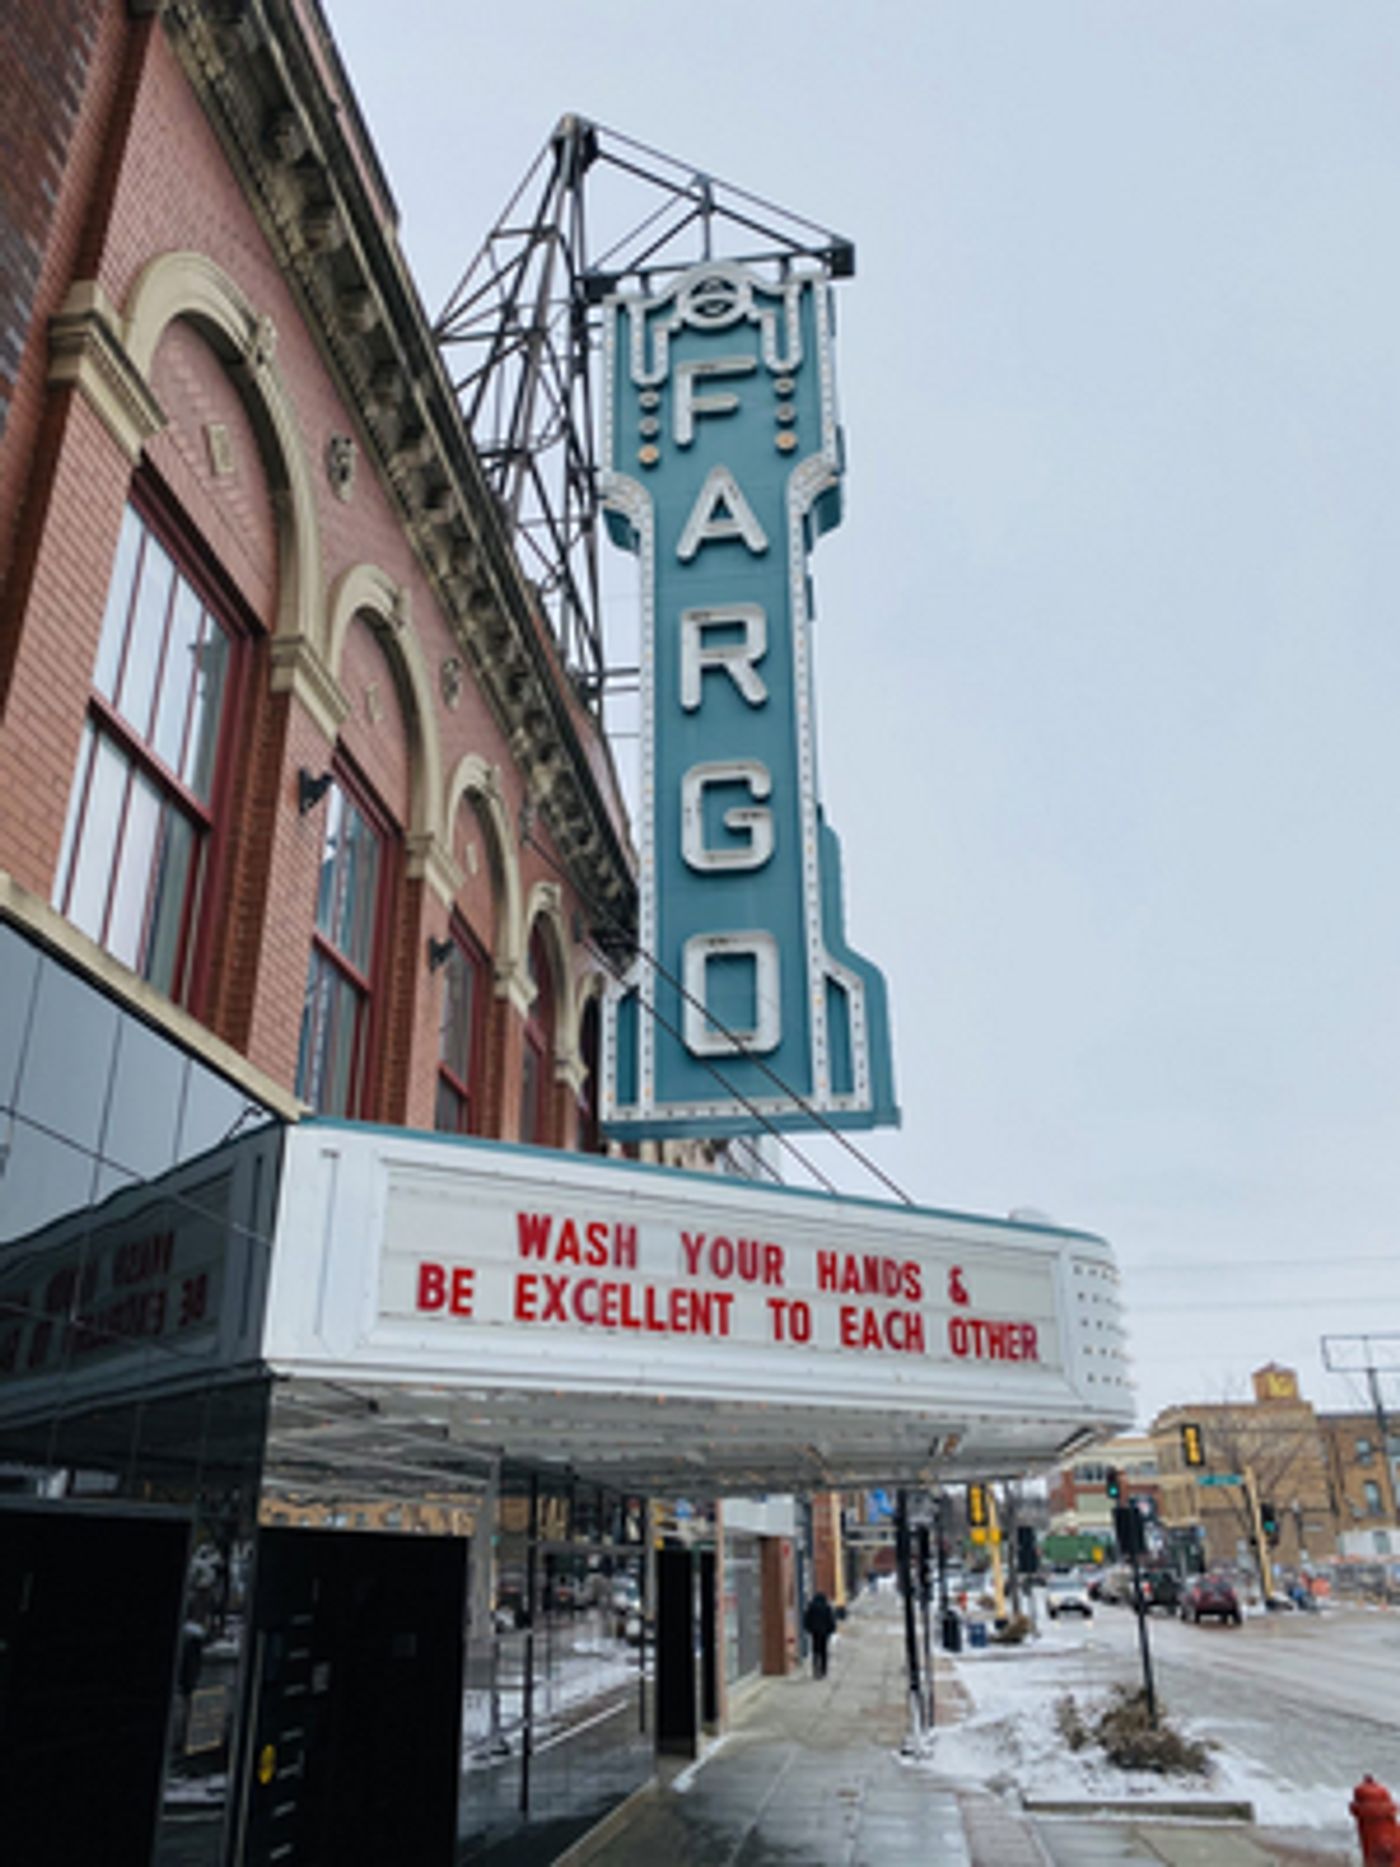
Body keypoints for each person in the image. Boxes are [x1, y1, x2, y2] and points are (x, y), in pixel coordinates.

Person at [803, 1591, 837, 1679]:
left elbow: (807, 1619)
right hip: (824, 1632)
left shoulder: (811, 1607)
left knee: (815, 1651)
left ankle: (815, 1670)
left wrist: (808, 1629)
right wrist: (832, 1630)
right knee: (824, 1651)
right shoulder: (827, 1607)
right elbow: (830, 1619)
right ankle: (823, 1670)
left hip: (815, 1632)